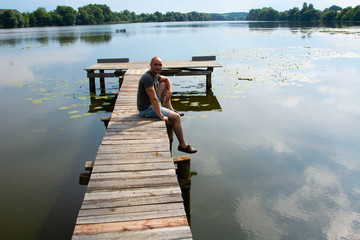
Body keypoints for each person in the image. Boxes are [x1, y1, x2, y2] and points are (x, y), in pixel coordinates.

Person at [137, 56, 197, 154]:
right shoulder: (147, 78)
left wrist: (169, 91)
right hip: (147, 109)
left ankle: (170, 110)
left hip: (152, 104)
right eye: (155, 65)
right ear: (150, 65)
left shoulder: (155, 75)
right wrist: (161, 115)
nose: (158, 67)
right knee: (177, 118)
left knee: (164, 84)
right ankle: (183, 145)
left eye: (160, 65)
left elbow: (167, 79)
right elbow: (153, 99)